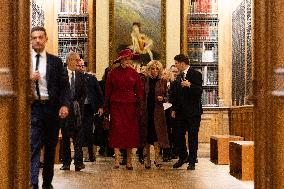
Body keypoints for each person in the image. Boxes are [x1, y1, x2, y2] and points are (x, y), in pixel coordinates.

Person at [30, 26, 70, 189]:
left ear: (46, 39)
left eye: (40, 37)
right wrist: (29, 78)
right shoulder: (24, 61)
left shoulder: (56, 61)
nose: (38, 40)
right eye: (34, 37)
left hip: (51, 109)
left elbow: (64, 86)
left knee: (50, 147)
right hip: (34, 107)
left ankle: (47, 183)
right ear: (31, 40)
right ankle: (33, 182)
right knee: (33, 145)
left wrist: (65, 105)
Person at [105, 48, 144, 170]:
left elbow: (140, 91)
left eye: (130, 58)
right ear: (121, 60)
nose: (129, 61)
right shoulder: (112, 73)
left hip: (131, 106)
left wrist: (140, 104)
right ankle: (116, 159)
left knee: (130, 132)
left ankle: (129, 161)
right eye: (126, 58)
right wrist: (105, 106)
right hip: (116, 105)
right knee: (116, 131)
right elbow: (107, 91)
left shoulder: (134, 73)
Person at [171, 54, 203, 171]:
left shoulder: (195, 74)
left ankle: (192, 161)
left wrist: (190, 85)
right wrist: (174, 109)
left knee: (192, 137)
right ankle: (183, 157)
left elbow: (199, 91)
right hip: (180, 113)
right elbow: (175, 94)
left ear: (182, 63)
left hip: (193, 113)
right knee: (178, 136)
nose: (175, 65)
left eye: (176, 63)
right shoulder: (178, 76)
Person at [60, 52, 86, 172]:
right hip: (64, 110)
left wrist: (77, 105)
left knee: (78, 137)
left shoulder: (80, 75)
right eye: (76, 60)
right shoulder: (61, 74)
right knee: (65, 137)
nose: (78, 62)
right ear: (70, 60)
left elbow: (83, 93)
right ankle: (66, 163)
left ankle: (78, 163)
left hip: (77, 111)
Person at [141, 60, 170, 169]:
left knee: (157, 136)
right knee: (147, 136)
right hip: (146, 111)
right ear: (149, 70)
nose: (154, 71)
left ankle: (157, 158)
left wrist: (163, 98)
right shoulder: (144, 80)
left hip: (158, 112)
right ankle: (147, 159)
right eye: (152, 68)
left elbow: (168, 97)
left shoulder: (162, 81)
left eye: (157, 69)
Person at [77, 59, 104, 162]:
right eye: (79, 66)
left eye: (82, 66)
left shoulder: (91, 78)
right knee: (79, 131)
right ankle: (80, 155)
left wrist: (101, 106)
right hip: (78, 108)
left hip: (89, 108)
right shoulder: (74, 78)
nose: (81, 67)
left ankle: (91, 154)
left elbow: (99, 92)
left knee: (89, 131)